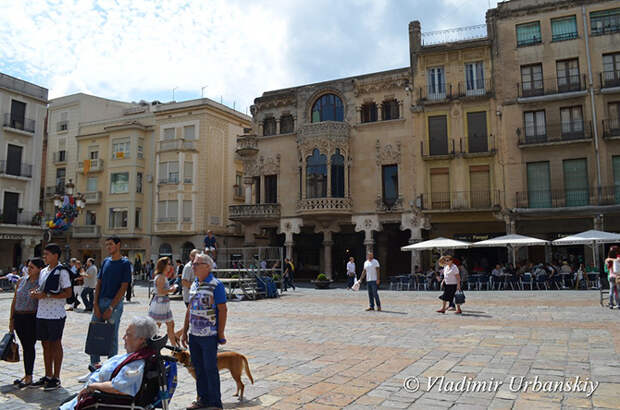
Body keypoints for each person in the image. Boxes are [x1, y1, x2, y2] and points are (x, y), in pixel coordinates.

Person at [60, 316, 158, 410]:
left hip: (99, 398)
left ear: (141, 339)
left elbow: (118, 388)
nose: (123, 337)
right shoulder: (134, 355)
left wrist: (92, 386)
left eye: (128, 334)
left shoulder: (136, 364)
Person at [181, 253, 227, 410]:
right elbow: (189, 308)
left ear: (208, 266)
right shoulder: (194, 284)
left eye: (196, 264)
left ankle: (215, 402)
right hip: (194, 335)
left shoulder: (216, 285)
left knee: (210, 368)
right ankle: (203, 399)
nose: (193, 266)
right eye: (193, 263)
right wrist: (185, 329)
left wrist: (220, 333)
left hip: (209, 335)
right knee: (198, 369)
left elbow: (223, 309)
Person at [30, 243, 73, 390]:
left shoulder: (62, 272)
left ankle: (56, 377)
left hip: (56, 315)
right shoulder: (43, 271)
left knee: (56, 344)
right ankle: (48, 375)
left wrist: (47, 295)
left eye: (47, 254)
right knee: (45, 344)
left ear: (55, 255)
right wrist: (36, 293)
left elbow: (68, 293)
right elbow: (42, 289)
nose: (44, 257)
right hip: (42, 313)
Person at [89, 236, 132, 368]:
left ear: (118, 245)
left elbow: (123, 287)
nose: (108, 247)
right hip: (100, 301)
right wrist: (95, 304)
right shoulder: (106, 261)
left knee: (112, 335)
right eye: (106, 244)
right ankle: (94, 365)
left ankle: (110, 366)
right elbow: (99, 283)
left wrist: (111, 307)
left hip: (115, 304)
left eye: (111, 244)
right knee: (94, 332)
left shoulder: (125, 264)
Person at [9, 257, 44, 388]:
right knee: (25, 346)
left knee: (29, 346)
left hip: (31, 318)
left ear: (39, 269)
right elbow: (15, 299)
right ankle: (27, 374)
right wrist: (11, 319)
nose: (28, 269)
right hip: (19, 317)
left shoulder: (41, 283)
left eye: (32, 267)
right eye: (28, 267)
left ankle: (29, 376)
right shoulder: (21, 280)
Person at [148, 257, 178, 346]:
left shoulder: (162, 276)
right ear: (164, 266)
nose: (170, 266)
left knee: (170, 325)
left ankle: (174, 348)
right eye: (168, 264)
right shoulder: (160, 277)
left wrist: (169, 289)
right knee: (157, 327)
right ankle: (151, 347)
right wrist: (171, 290)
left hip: (162, 303)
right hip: (160, 303)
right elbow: (160, 291)